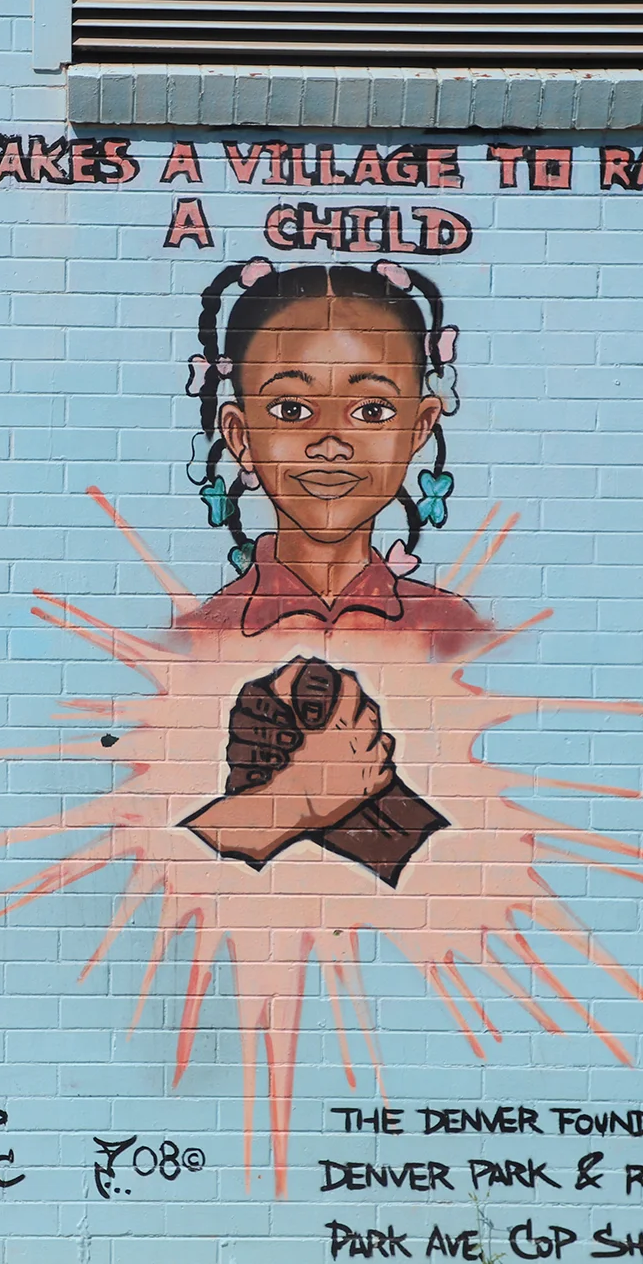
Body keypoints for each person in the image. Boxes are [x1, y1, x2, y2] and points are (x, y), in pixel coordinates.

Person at [172, 258, 485, 884]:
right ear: (239, 435)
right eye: (291, 409)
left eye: (371, 411)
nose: (331, 441)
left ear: (421, 426)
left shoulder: (456, 629)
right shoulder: (196, 637)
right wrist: (300, 798)